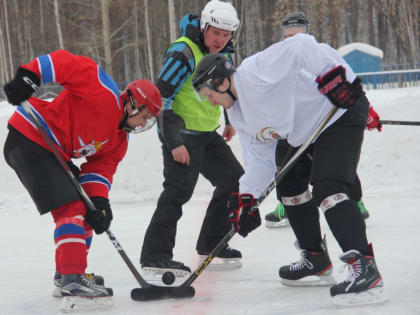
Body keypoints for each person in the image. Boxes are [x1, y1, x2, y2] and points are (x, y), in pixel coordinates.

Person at [192, 35, 385, 305]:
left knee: (328, 186)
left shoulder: (256, 70)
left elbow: (302, 45)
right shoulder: (239, 114)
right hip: (303, 133)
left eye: (209, 95)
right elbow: (260, 161)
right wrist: (246, 200)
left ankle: (366, 268)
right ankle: (315, 257)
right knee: (289, 187)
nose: (210, 102)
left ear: (222, 82)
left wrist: (334, 80)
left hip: (338, 111)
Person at [3, 49, 162, 311]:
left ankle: (68, 274)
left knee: (87, 209)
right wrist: (29, 75)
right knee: (71, 209)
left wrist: (99, 201)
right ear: (134, 102)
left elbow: (99, 170)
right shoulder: (104, 94)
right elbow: (66, 63)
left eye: (149, 120)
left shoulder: (119, 140)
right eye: (144, 115)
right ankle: (73, 279)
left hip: (51, 152)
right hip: (31, 137)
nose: (144, 122)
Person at [139, 0, 244, 277]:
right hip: (181, 133)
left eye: (226, 34)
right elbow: (159, 98)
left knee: (234, 178)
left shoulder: (224, 55)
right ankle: (155, 255)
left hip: (207, 134)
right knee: (178, 191)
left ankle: (211, 242)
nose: (221, 40)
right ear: (204, 26)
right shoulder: (183, 51)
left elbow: (223, 88)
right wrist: (174, 142)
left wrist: (229, 120)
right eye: (216, 33)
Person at [265, 12, 380, 228]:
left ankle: (355, 199)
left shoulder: (322, 52)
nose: (294, 41)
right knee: (283, 158)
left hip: (327, 120)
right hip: (297, 123)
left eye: (298, 35)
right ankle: (286, 204)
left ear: (308, 34)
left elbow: (349, 79)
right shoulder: (280, 60)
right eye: (288, 36)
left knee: (335, 163)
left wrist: (367, 111)